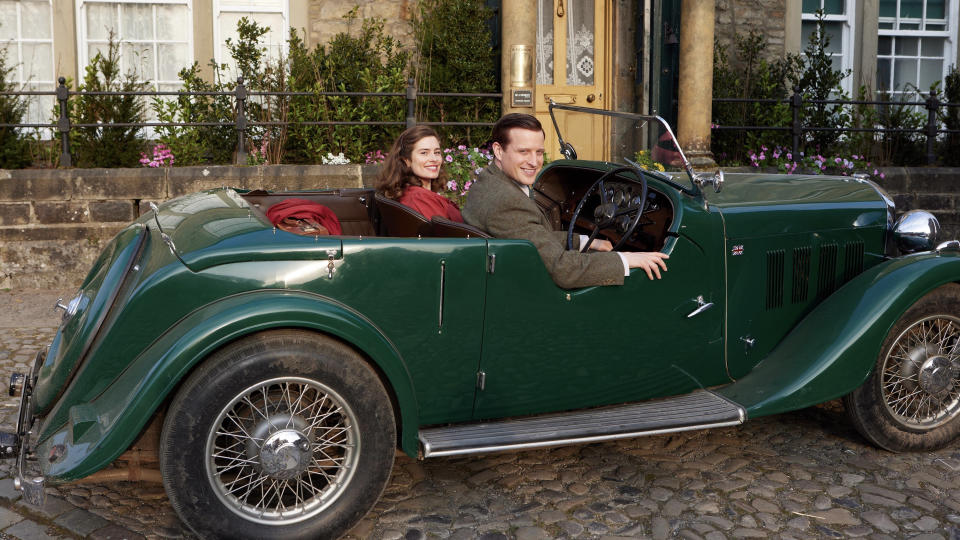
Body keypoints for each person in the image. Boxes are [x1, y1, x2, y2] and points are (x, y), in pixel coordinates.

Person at [462, 113, 669, 289]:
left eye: (539, 152)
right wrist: (627, 259)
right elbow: (563, 270)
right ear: (499, 151)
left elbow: (533, 238)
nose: (534, 162)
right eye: (523, 152)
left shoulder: (489, 182)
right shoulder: (507, 202)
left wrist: (588, 241)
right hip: (521, 292)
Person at [375, 125, 463, 222]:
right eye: (424, 153)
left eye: (437, 152)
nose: (434, 159)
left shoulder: (418, 194)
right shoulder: (418, 198)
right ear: (406, 160)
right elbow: (446, 234)